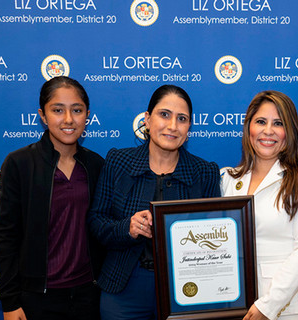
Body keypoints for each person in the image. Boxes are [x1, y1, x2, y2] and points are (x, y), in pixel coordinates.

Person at [87, 84, 221, 320]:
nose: (172, 126)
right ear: (148, 120)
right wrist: (126, 227)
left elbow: (216, 242)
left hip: (186, 290)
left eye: (182, 118)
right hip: (124, 287)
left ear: (189, 127)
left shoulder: (205, 172)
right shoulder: (119, 161)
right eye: (164, 115)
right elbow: (96, 222)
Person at [0, 76, 105, 320]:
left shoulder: (96, 165)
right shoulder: (19, 163)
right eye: (57, 110)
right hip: (36, 299)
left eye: (77, 110)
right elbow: (5, 236)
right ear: (42, 115)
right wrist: (10, 302)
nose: (68, 119)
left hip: (88, 295)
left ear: (87, 115)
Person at [222, 91, 298, 320]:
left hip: (290, 307)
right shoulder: (228, 179)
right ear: (248, 127)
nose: (268, 131)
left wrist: (268, 305)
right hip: (237, 302)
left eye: (277, 123)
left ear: (288, 131)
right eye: (260, 121)